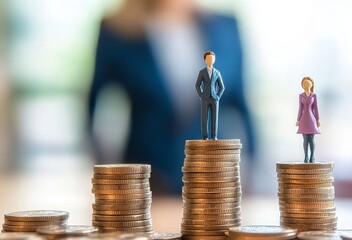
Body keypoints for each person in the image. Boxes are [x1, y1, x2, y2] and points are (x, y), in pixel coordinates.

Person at [88, 0, 255, 194]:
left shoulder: (225, 26)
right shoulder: (116, 30)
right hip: (147, 176)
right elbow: (93, 104)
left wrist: (252, 164)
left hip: (213, 173)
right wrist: (103, 169)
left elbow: (242, 102)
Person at [195, 51, 224, 140]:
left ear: (214, 60)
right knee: (204, 118)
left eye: (212, 58)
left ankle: (214, 136)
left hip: (214, 98)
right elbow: (197, 85)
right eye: (209, 58)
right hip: (205, 98)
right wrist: (201, 95)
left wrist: (218, 96)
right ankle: (205, 136)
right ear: (205, 60)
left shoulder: (217, 72)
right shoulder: (202, 72)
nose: (211, 60)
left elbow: (222, 87)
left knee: (214, 118)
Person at [296, 76, 321, 163]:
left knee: (312, 139)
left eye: (308, 83)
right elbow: (300, 108)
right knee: (305, 140)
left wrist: (318, 119)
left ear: (311, 84)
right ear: (302, 85)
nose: (306, 85)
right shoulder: (301, 95)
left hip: (312, 119)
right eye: (304, 83)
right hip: (304, 119)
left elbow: (316, 108)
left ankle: (312, 156)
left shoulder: (314, 95)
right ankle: (306, 156)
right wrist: (298, 120)